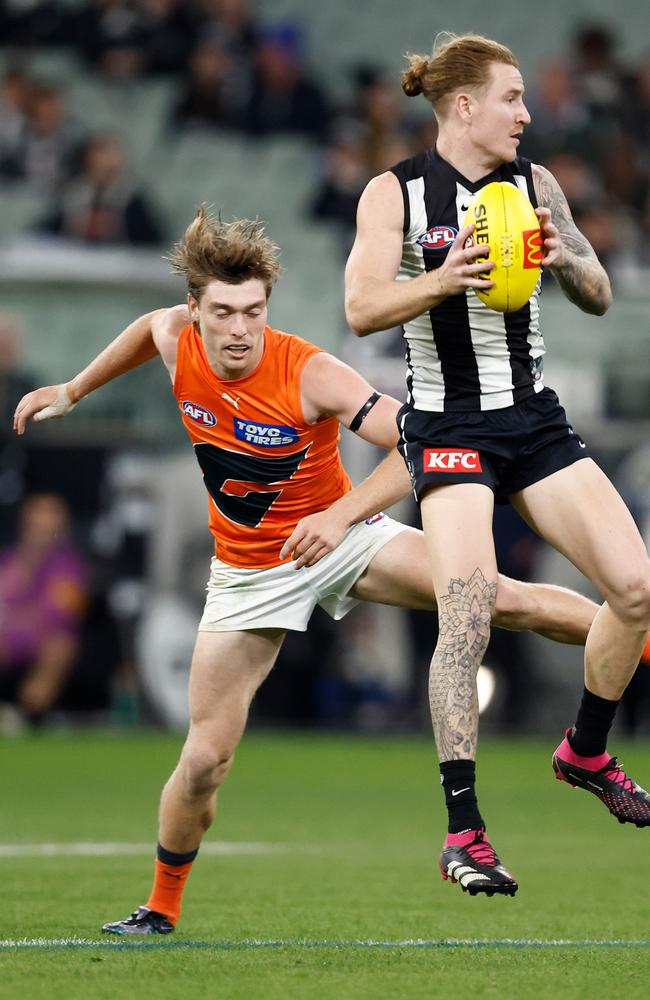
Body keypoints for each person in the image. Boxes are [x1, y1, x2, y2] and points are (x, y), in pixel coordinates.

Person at [10, 207, 634, 931]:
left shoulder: (309, 372)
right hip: (247, 573)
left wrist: (339, 517)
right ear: (195, 311)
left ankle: (637, 635)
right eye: (224, 312)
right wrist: (73, 390)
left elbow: (420, 444)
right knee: (205, 760)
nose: (241, 328)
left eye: (254, 310)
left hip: (343, 539)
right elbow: (142, 334)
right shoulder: (173, 336)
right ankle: (159, 908)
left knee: (500, 599)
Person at [344, 32, 650, 898]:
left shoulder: (535, 185)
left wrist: (569, 260)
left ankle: (585, 750)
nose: (527, 113)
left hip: (533, 420)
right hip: (447, 425)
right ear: (465, 105)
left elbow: (600, 293)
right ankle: (464, 833)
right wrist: (441, 279)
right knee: (468, 613)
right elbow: (362, 306)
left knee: (635, 590)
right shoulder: (394, 193)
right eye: (512, 98)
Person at [0, 492, 89, 726]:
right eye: (36, 526)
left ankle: (26, 716)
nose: (42, 534)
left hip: (44, 639)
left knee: (60, 647)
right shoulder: (8, 561)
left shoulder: (69, 567)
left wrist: (20, 617)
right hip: (7, 638)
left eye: (49, 528)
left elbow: (61, 615)